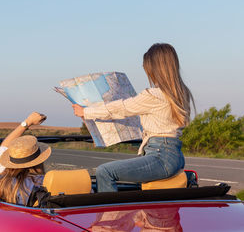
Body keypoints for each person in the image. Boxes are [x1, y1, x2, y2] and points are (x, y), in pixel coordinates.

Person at [72, 43, 195, 192]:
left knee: (105, 172)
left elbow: (121, 108)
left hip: (160, 155)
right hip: (174, 154)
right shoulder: (181, 93)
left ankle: (111, 214)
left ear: (156, 69)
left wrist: (86, 112)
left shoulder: (154, 95)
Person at [0, 112, 50, 205]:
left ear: (11, 159)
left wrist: (28, 121)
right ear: (38, 161)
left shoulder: (1, 179)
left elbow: (2, 148)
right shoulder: (45, 182)